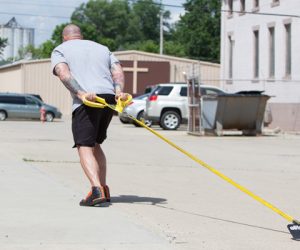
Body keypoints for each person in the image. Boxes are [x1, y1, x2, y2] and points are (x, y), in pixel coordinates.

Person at [51, 24, 126, 206]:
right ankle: (104, 188)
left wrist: (80, 93)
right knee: (95, 144)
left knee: (84, 145)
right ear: (81, 36)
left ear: (64, 38)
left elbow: (63, 73)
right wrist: (119, 92)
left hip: (88, 99)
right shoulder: (102, 48)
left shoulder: (60, 50)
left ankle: (96, 189)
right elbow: (117, 72)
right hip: (109, 98)